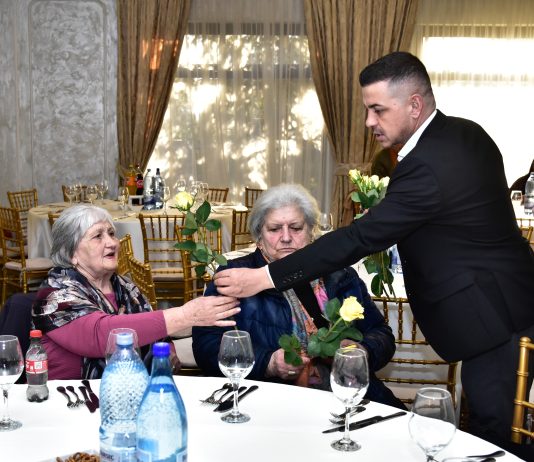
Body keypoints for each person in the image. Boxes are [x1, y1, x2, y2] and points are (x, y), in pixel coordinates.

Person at [213, 52, 534, 454]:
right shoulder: (465, 133)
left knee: (495, 436)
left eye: (378, 110)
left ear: (414, 105)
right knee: (498, 425)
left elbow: (359, 239)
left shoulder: (428, 164)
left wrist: (264, 277)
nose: (369, 122)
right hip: (511, 300)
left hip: (493, 318)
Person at [193, 184, 405, 409]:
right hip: (268, 402)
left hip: (347, 395)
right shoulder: (236, 276)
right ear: (258, 237)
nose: (286, 237)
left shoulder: (340, 274)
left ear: (311, 231)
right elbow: (207, 346)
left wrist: (363, 351)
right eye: (274, 229)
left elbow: (381, 333)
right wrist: (268, 363)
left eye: (296, 228)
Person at [32, 205, 239, 380]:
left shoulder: (124, 287)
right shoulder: (54, 295)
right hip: (70, 400)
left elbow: (155, 332)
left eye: (111, 233)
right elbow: (101, 335)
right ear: (71, 254)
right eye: (98, 236)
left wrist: (168, 353)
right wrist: (185, 315)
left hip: (129, 393)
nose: (112, 242)